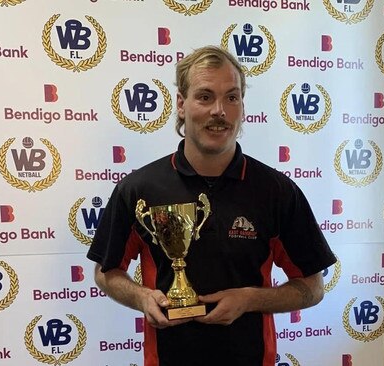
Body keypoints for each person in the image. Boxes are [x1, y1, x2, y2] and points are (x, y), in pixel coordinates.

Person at [87, 45, 337, 366]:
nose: (219, 110)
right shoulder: (138, 189)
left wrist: (249, 299)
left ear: (242, 107)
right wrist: (142, 297)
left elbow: (313, 288)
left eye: (231, 97)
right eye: (205, 96)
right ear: (181, 104)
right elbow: (106, 272)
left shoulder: (277, 191)